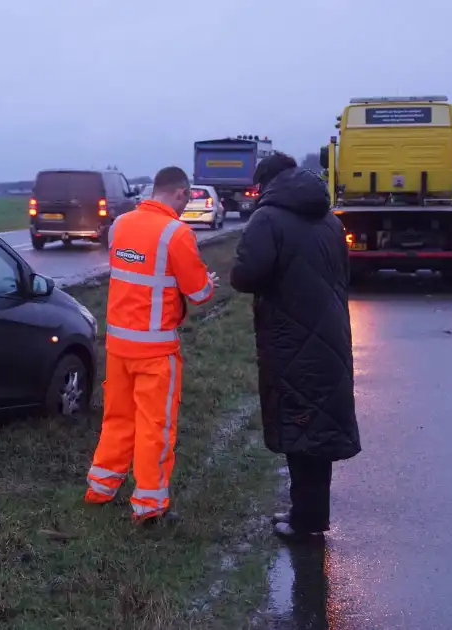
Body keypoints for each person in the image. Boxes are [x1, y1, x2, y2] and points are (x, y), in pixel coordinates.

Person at [229, 152, 360, 541]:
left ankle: (305, 523)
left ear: (266, 182)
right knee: (317, 430)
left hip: (291, 340)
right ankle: (308, 513)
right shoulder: (330, 220)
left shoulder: (267, 219)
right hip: (331, 336)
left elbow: (245, 276)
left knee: (301, 429)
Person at [84, 166, 218, 525]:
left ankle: (100, 487)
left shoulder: (121, 225)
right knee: (154, 427)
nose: (186, 205)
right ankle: (149, 506)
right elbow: (199, 293)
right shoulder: (176, 233)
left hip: (118, 346)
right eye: (186, 198)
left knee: (116, 419)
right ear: (178, 193)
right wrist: (210, 282)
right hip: (156, 351)